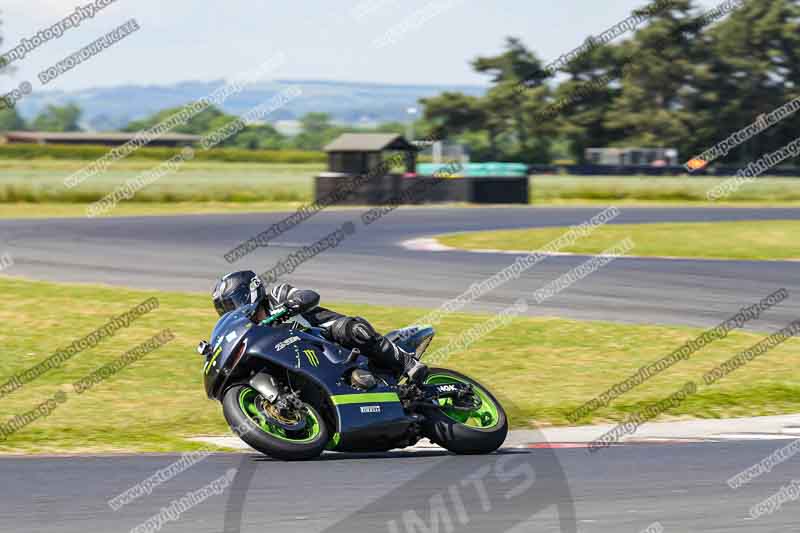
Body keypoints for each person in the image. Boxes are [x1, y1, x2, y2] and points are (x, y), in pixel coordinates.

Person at [211, 270, 427, 382]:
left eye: (232, 304)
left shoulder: (276, 296)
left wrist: (291, 305)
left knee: (354, 330)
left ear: (248, 291)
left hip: (328, 336)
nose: (230, 311)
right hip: (308, 361)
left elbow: (309, 295)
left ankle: (407, 363)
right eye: (224, 309)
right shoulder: (251, 332)